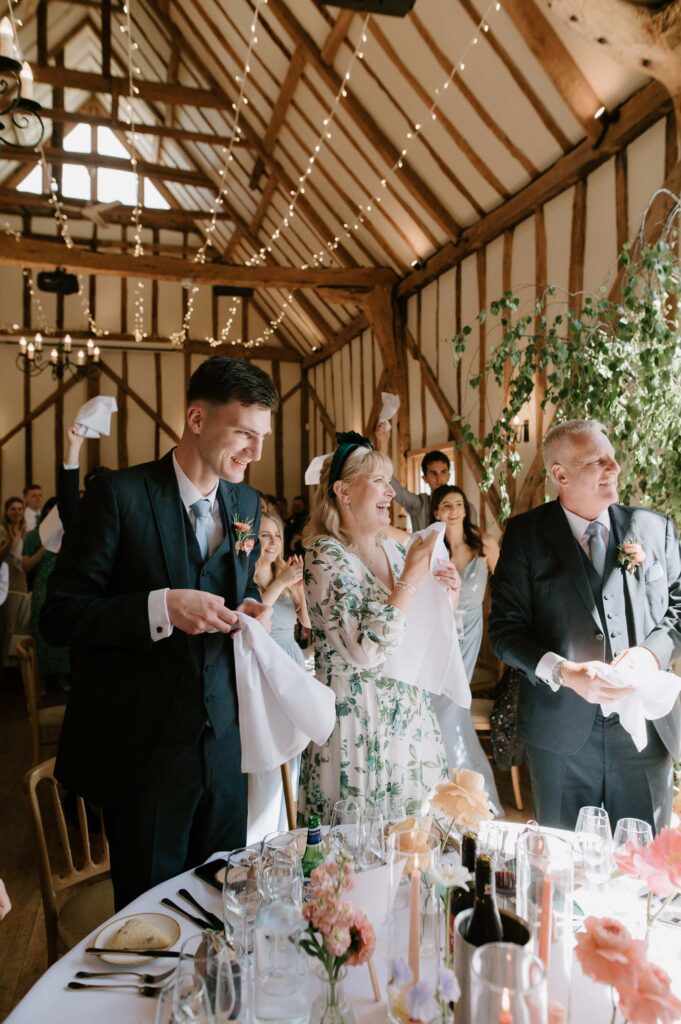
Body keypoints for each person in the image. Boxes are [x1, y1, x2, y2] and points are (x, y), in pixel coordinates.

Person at [41, 356, 278, 909]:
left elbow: (236, 584)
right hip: (142, 751)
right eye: (244, 432)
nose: (256, 452)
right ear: (197, 419)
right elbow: (60, 616)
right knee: (151, 918)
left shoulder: (245, 502)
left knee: (224, 903)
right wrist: (160, 608)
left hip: (223, 744)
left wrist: (251, 606)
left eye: (262, 436)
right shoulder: (119, 496)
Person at [489, 419, 681, 831]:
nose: (614, 469)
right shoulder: (525, 536)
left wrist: (651, 654)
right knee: (564, 869)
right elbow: (505, 632)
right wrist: (564, 671)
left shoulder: (653, 528)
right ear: (560, 474)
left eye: (612, 458)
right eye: (598, 461)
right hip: (560, 737)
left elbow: (677, 609)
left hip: (644, 732)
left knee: (645, 866)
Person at [298, 431, 457, 823]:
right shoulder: (324, 553)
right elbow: (364, 650)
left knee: (413, 851)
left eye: (390, 481)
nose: (391, 492)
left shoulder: (394, 548)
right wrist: (412, 579)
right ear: (344, 491)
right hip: (356, 720)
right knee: (354, 858)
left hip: (408, 717)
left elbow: (417, 626)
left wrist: (446, 596)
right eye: (379, 481)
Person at [430, 484, 501, 812]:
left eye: (459, 504)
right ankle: (448, 792)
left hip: (470, 633)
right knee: (441, 708)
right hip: (439, 635)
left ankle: (456, 795)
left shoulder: (485, 544)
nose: (454, 510)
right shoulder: (431, 547)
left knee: (451, 704)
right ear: (436, 513)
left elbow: (505, 584)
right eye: (447, 505)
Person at [252, 511, 310, 835]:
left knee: (293, 751)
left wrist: (298, 592)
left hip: (292, 663)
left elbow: (308, 625)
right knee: (269, 755)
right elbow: (256, 614)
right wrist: (281, 582)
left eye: (276, 535)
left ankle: (284, 829)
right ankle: (260, 832)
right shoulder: (247, 577)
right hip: (264, 669)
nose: (273, 542)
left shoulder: (284, 576)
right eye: (265, 535)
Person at [21, 497, 70, 689]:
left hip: (64, 586)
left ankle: (62, 676)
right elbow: (25, 566)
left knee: (64, 629)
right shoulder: (33, 536)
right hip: (42, 587)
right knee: (41, 632)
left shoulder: (70, 534)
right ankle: (39, 678)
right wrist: (46, 545)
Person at [375, 420, 450, 531]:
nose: (439, 479)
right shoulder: (419, 505)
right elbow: (390, 483)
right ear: (424, 478)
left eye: (443, 472)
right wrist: (383, 443)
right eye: (433, 473)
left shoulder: (466, 506)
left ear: (449, 475)